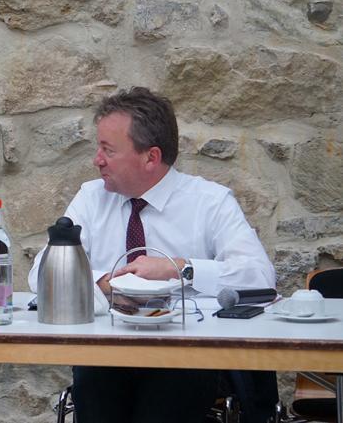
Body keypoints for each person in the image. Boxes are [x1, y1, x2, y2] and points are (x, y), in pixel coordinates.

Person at [28, 87, 276, 423]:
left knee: (173, 384)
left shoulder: (209, 201)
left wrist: (179, 269)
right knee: (95, 379)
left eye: (108, 149)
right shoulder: (91, 197)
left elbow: (259, 276)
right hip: (106, 354)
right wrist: (103, 283)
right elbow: (42, 272)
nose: (96, 159)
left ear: (151, 157)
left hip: (186, 356)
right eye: (98, 147)